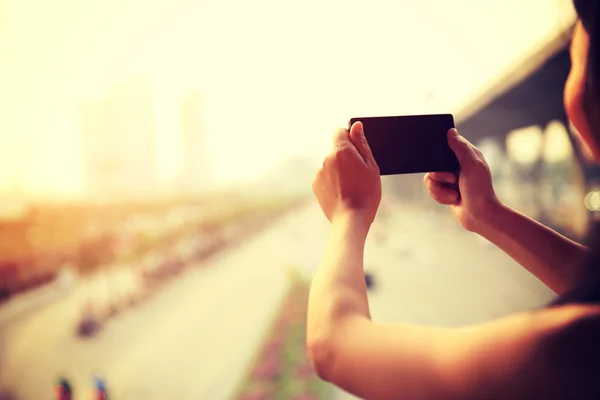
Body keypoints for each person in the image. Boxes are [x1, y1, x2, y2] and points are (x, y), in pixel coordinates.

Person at [307, 1, 600, 399]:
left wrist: (349, 214)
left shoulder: (573, 350)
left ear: (585, 102)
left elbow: (333, 345)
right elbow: (592, 283)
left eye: (575, 57)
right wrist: (488, 214)